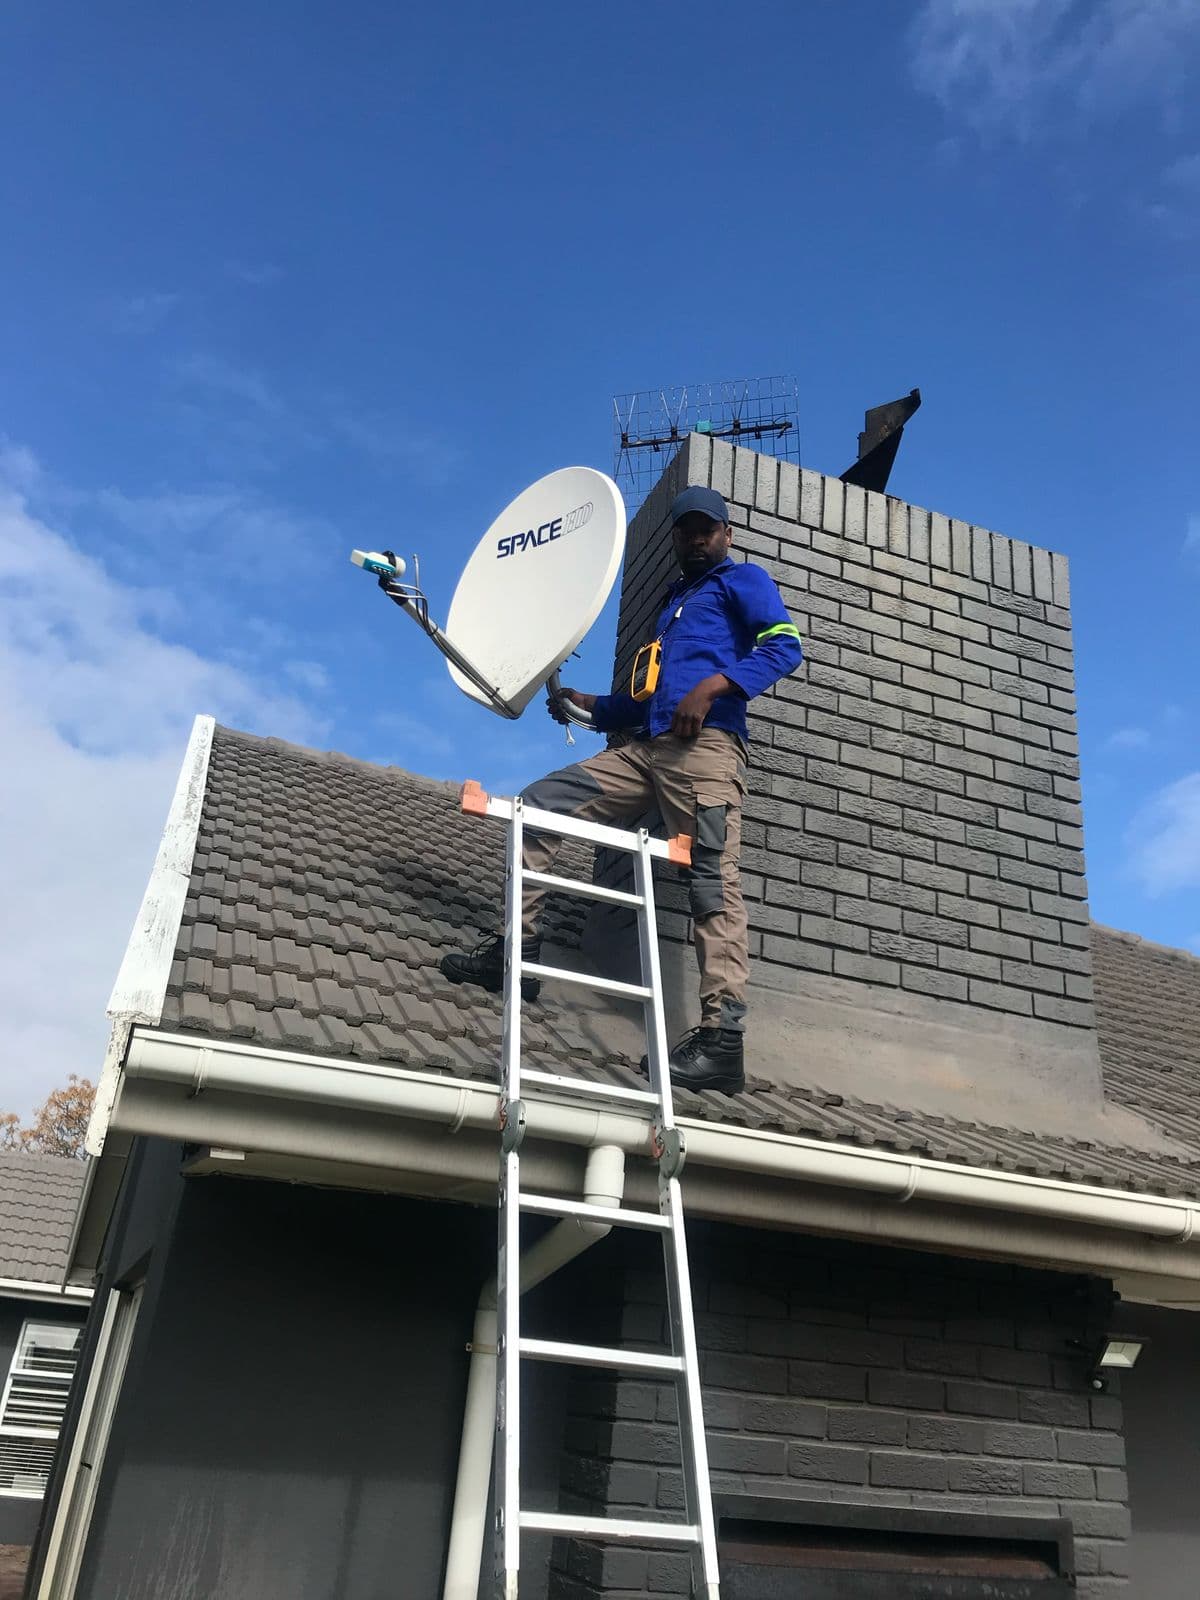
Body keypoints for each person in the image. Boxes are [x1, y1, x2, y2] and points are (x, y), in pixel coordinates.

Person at [441, 485, 804, 1094]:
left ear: (726, 535)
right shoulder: (673, 602)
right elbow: (648, 697)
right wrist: (592, 707)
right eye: (686, 530)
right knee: (540, 806)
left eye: (706, 529)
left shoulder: (742, 582)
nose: (696, 538)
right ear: (676, 538)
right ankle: (517, 957)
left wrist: (711, 689)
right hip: (645, 750)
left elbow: (784, 647)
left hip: (705, 752)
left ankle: (723, 1041)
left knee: (713, 879)